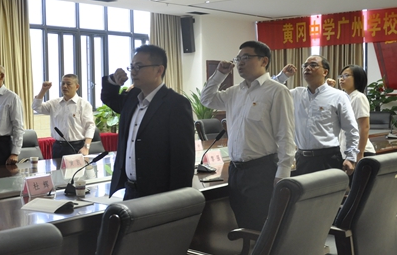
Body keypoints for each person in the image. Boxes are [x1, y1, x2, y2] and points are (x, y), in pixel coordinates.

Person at [201, 41, 296, 230]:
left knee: (262, 225)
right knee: (242, 223)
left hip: (262, 170)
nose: (240, 63)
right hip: (236, 171)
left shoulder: (277, 91)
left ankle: (264, 251)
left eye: (245, 57)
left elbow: (285, 135)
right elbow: (207, 99)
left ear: (264, 61)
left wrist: (283, 173)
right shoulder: (234, 92)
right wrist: (220, 74)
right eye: (238, 59)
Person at [101, 44, 194, 200]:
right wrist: (113, 79)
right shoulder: (132, 98)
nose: (133, 72)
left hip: (159, 194)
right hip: (130, 190)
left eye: (139, 67)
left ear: (159, 70)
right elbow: (108, 98)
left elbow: (183, 159)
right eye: (132, 67)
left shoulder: (176, 104)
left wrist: (178, 200)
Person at [275, 55, 359, 176]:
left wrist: (351, 157)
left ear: (325, 72)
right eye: (305, 65)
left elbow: (351, 129)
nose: (307, 68)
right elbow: (270, 91)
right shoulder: (295, 94)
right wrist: (283, 76)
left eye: (313, 65)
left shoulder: (338, 96)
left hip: (328, 158)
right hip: (302, 158)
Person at [32, 74, 96, 159]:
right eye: (63, 83)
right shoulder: (54, 103)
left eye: (68, 84)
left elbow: (90, 126)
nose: (65, 86)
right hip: (58, 147)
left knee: (78, 168)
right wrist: (43, 90)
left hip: (77, 146)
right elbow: (36, 107)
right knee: (57, 168)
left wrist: (86, 147)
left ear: (77, 87)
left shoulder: (84, 104)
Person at [336, 65, 376, 163]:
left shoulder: (358, 97)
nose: (341, 79)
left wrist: (359, 153)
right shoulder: (345, 98)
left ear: (357, 79)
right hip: (347, 151)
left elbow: (364, 127)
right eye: (341, 76)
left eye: (346, 75)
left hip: (361, 152)